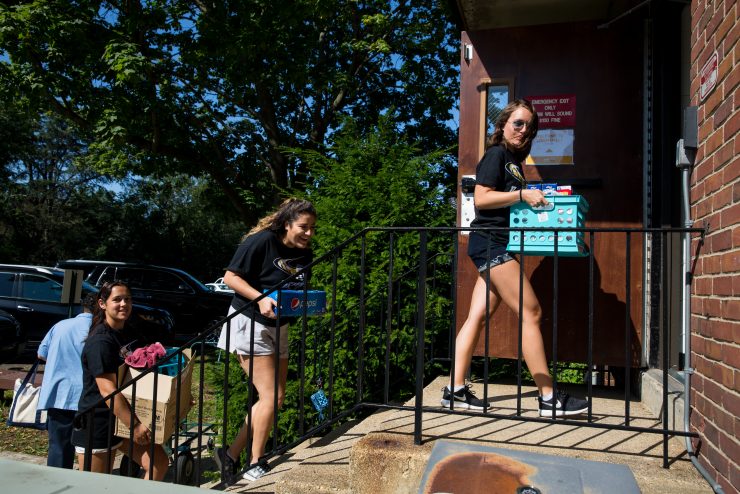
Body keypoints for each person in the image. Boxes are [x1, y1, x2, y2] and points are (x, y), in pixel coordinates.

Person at [443, 99, 588, 417]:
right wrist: (522, 193)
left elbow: (506, 200)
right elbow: (481, 198)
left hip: (493, 244)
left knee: (476, 318)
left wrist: (533, 196)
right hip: (491, 244)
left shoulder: (512, 162)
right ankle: (549, 399)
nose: (525, 131)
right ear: (502, 126)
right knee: (531, 313)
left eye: (530, 127)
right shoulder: (496, 154)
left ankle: (454, 390)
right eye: (518, 123)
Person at [215, 198, 316, 484]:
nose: (309, 234)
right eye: (303, 227)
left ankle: (230, 454)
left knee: (277, 398)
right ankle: (254, 462)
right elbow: (230, 278)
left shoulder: (305, 254)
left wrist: (308, 304)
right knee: (270, 396)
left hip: (279, 325)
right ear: (287, 224)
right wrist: (260, 299)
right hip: (249, 322)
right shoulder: (261, 242)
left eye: (312, 228)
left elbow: (296, 288)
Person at [71, 281, 168, 480]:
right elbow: (108, 390)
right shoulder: (101, 341)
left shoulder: (128, 332)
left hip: (121, 418)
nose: (124, 304)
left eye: (128, 299)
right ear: (102, 304)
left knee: (158, 462)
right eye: (117, 299)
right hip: (98, 422)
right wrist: (135, 427)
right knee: (97, 487)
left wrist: (175, 397)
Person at [37, 292, 97, 469]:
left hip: (58, 394)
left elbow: (41, 354)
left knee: (58, 446)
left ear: (83, 307)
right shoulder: (99, 330)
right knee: (86, 448)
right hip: (86, 397)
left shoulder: (60, 325)